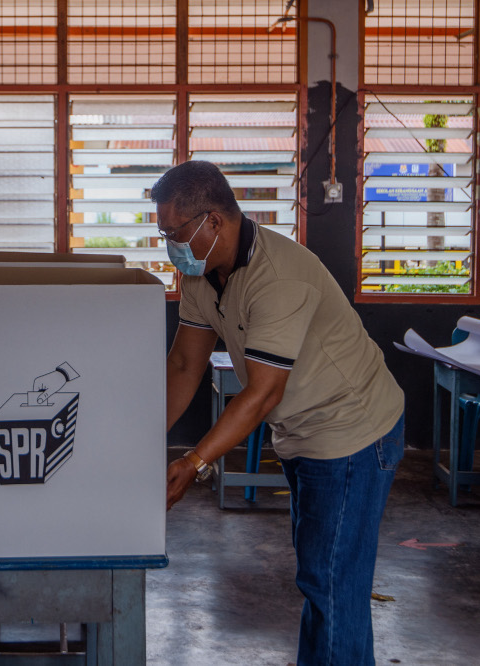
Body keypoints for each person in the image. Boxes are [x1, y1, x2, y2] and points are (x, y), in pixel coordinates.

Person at [154, 160, 405, 665]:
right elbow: (184, 364)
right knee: (320, 580)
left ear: (214, 223)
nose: (169, 246)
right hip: (304, 433)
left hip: (351, 431)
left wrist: (195, 462)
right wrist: (140, 439)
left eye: (174, 232)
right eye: (162, 234)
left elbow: (263, 394)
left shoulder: (281, 276)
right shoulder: (203, 275)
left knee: (333, 587)